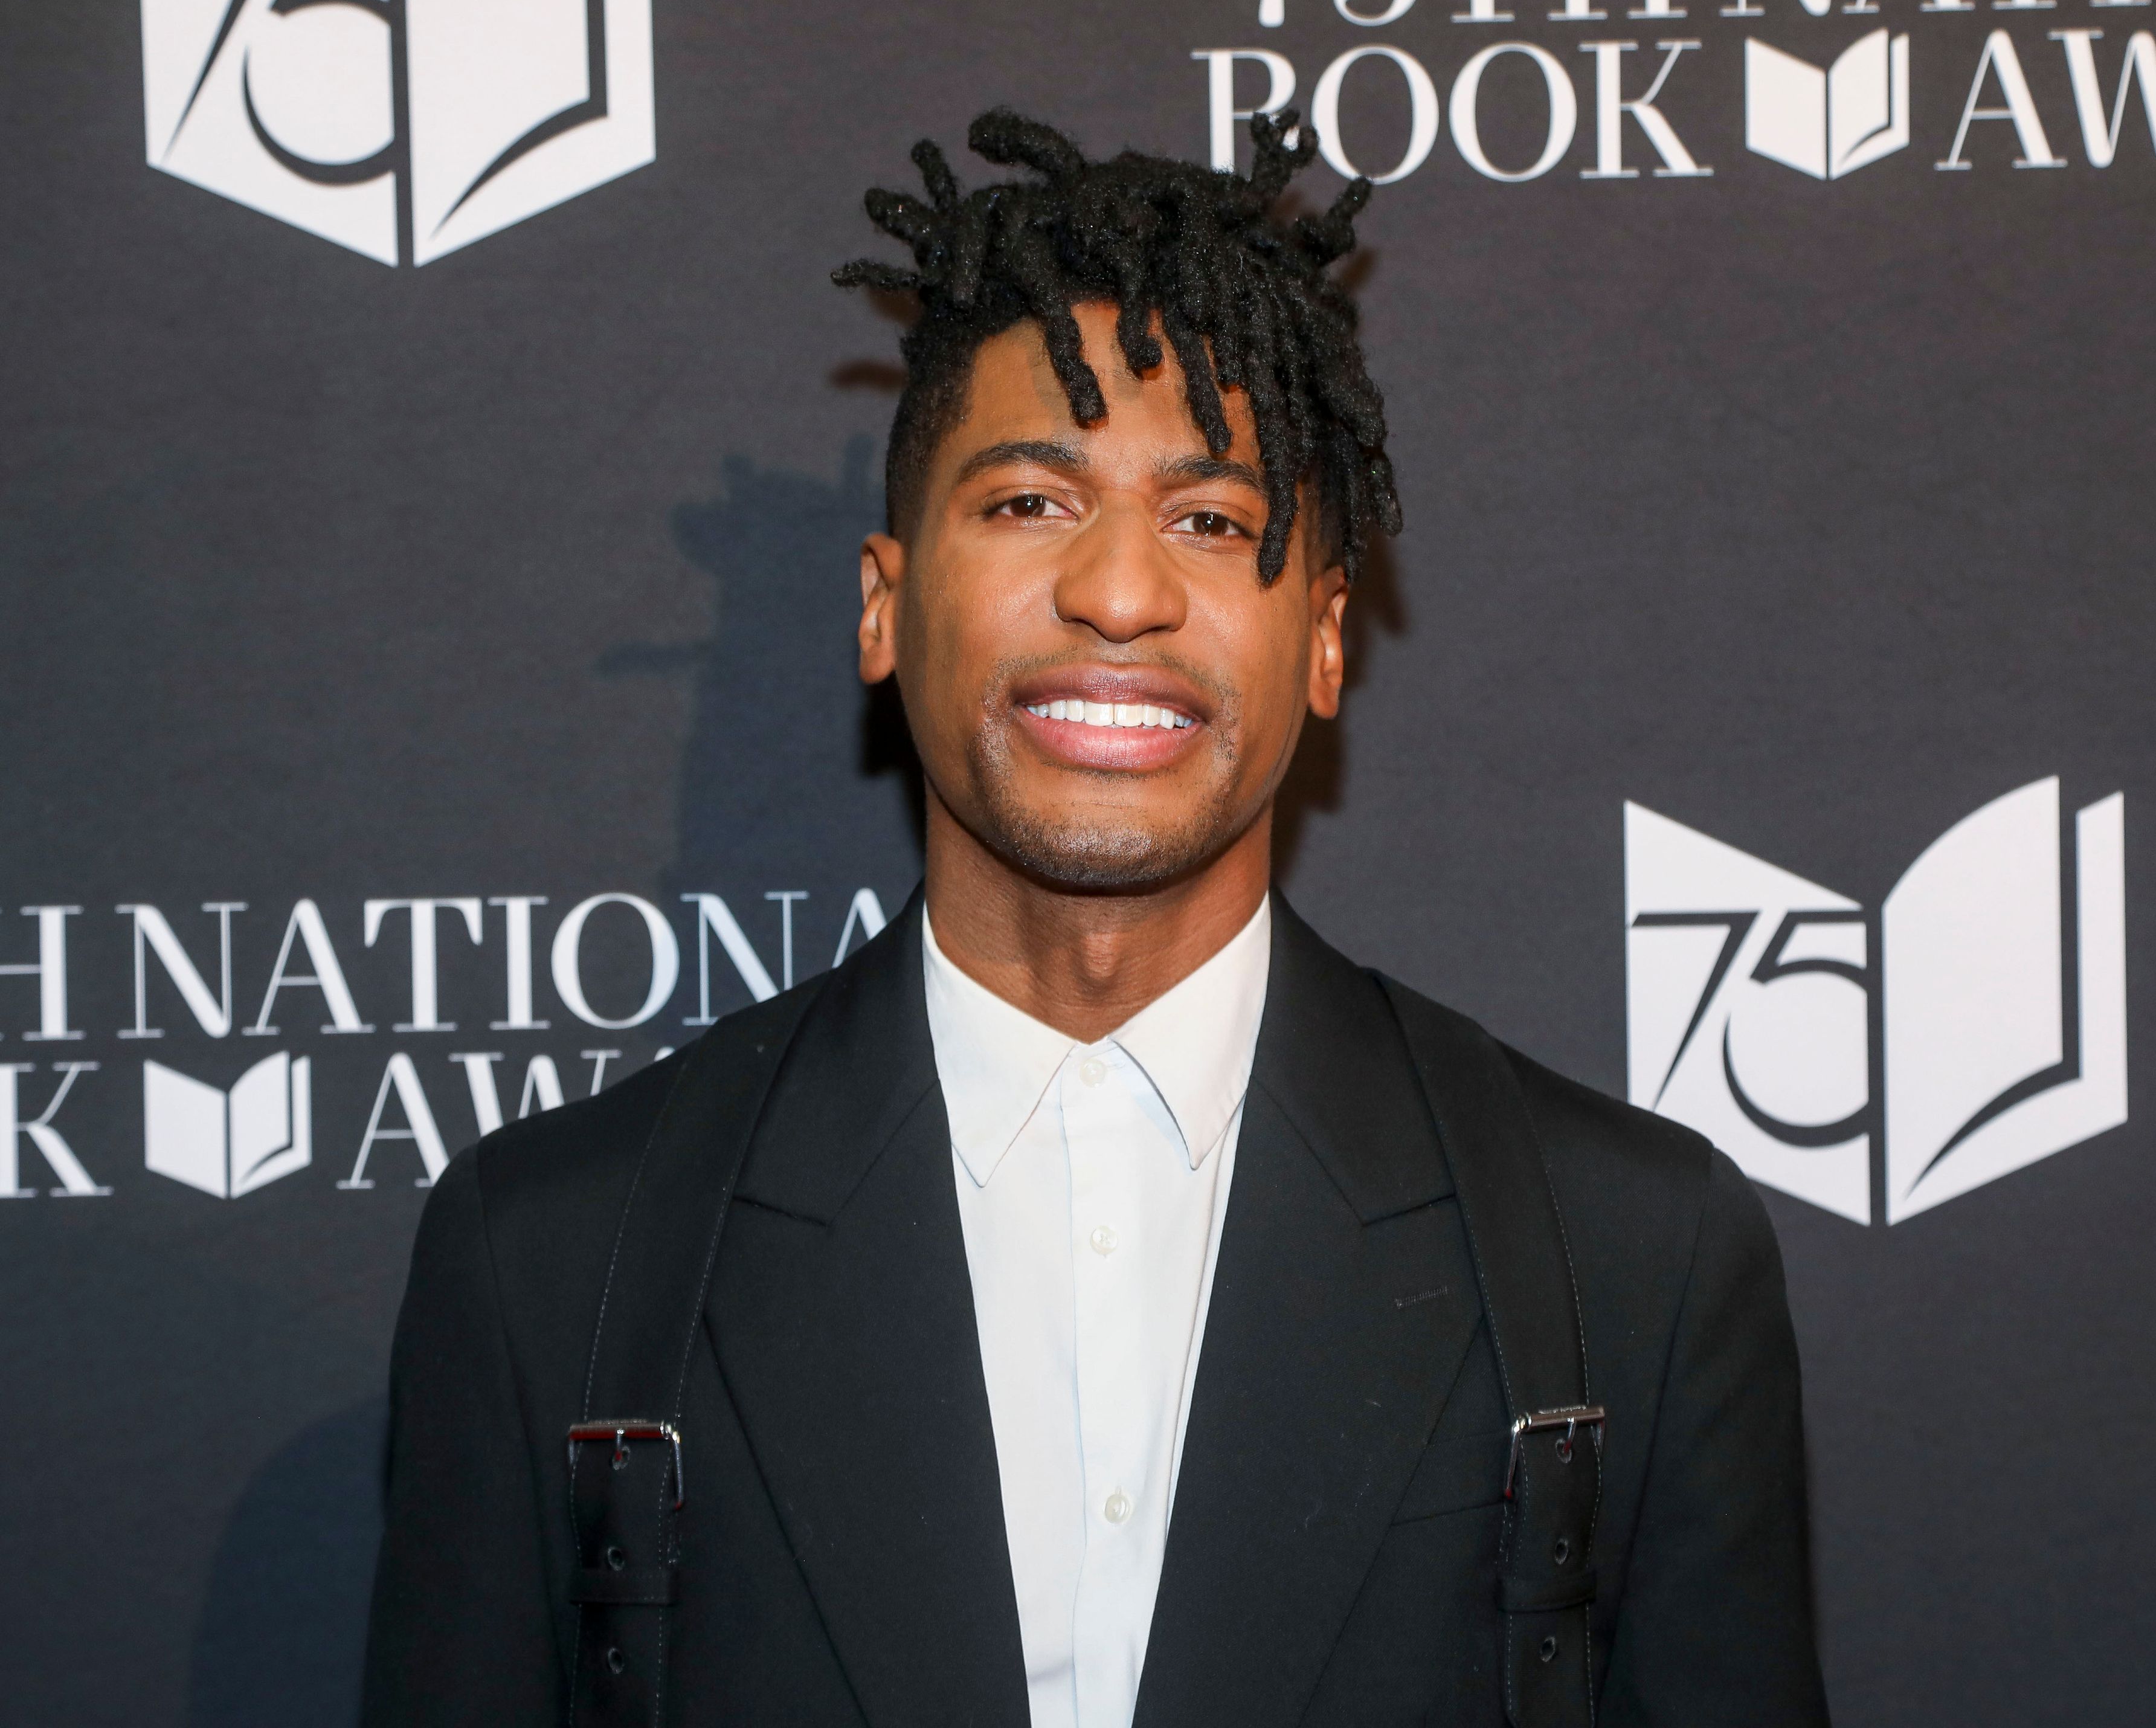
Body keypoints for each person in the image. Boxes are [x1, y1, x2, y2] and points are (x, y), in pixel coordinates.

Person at [360, 108, 1828, 1728]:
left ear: (1327, 640)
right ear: (880, 601)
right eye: (1031, 502)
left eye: (1211, 519)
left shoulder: (1629, 1256)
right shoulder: (553, 1264)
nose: (1121, 594)